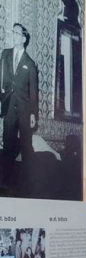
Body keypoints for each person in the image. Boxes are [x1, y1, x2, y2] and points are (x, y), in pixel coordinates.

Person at [0, 23, 39, 190]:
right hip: (9, 107)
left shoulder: (30, 64)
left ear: (23, 38)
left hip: (24, 110)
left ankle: (28, 183)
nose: (14, 35)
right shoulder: (5, 54)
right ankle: (5, 181)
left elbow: (34, 92)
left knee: (26, 145)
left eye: (17, 33)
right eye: (13, 32)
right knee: (7, 143)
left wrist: (33, 114)